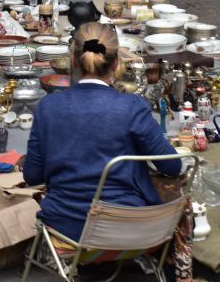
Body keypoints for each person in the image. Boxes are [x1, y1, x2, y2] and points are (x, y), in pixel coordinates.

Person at [23, 22, 180, 243]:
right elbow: (172, 165)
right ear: (116, 64)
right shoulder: (131, 106)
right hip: (129, 229)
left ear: (73, 62)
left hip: (65, 227)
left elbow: (32, 176)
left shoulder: (48, 107)